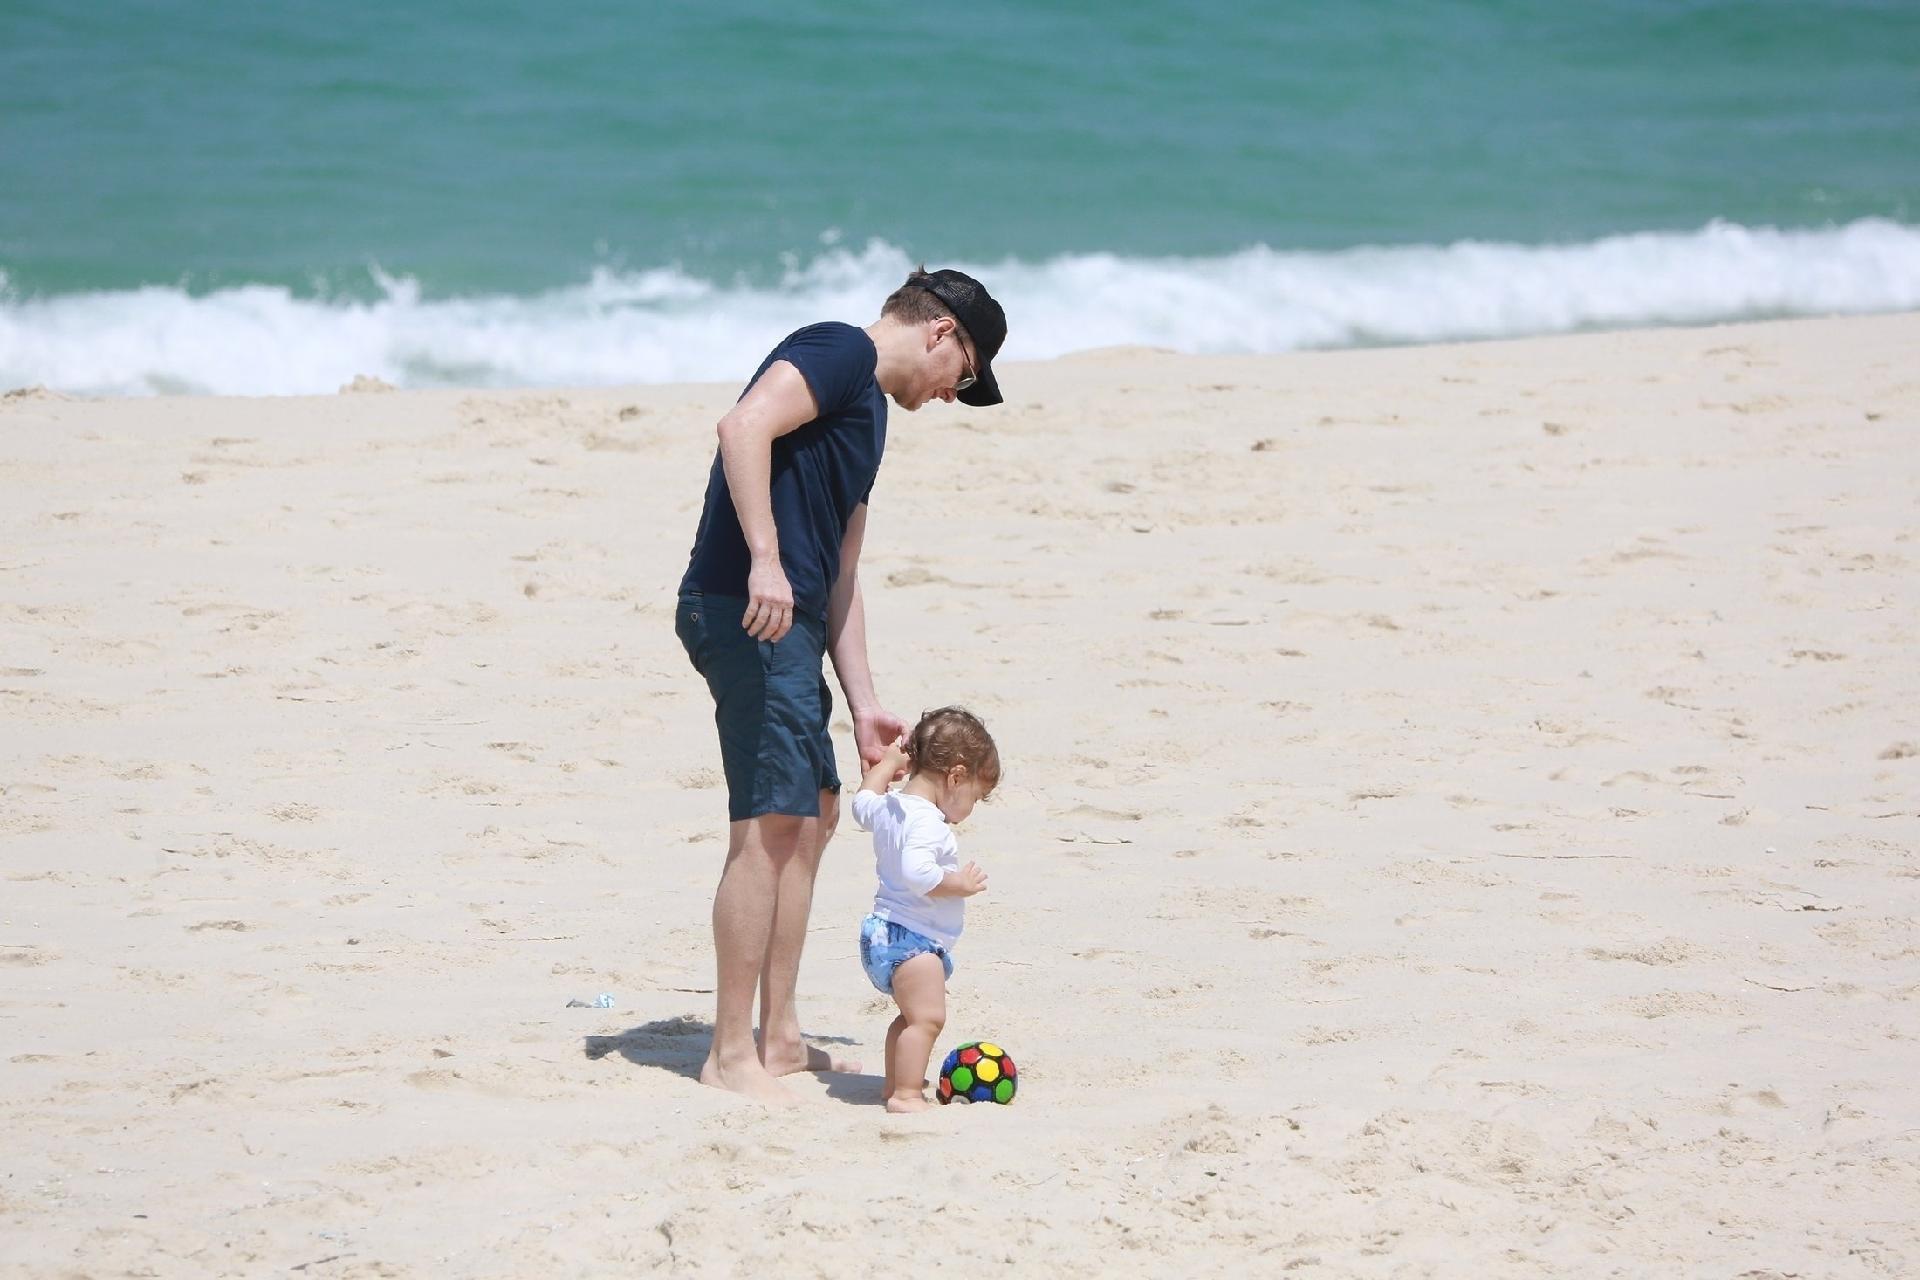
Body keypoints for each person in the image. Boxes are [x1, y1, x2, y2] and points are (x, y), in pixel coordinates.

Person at [674, 268, 1009, 1105]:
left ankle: (781, 1039)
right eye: (963, 378)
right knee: (770, 825)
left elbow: (844, 574)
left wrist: (864, 706)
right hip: (744, 605)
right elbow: (742, 426)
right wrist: (762, 557)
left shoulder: (868, 422)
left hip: (794, 622)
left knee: (815, 817)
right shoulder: (839, 352)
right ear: (941, 334)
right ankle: (728, 1053)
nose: (950, 398)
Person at [851, 707, 999, 1113]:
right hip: (911, 939)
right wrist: (959, 885)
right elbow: (919, 874)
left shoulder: (892, 808)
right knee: (928, 1019)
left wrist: (889, 765)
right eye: (975, 796)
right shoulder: (927, 822)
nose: (971, 807)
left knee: (909, 1017)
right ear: (955, 776)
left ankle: (897, 1082)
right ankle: (905, 1095)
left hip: (884, 934)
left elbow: (862, 803)